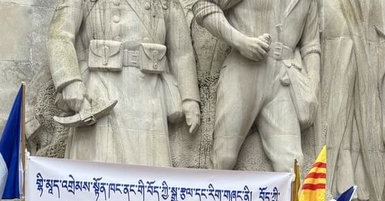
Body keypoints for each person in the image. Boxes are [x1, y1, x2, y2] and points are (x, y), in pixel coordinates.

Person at [47, 0, 201, 166]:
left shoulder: (168, 2)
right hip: (101, 91)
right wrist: (70, 81)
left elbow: (181, 52)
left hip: (150, 95)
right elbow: (59, 35)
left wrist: (190, 98)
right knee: (100, 168)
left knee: (151, 172)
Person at [191, 0, 320, 171]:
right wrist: (241, 41)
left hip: (283, 77)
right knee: (224, 157)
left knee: (292, 164)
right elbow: (203, 6)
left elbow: (310, 45)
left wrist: (312, 86)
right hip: (243, 70)